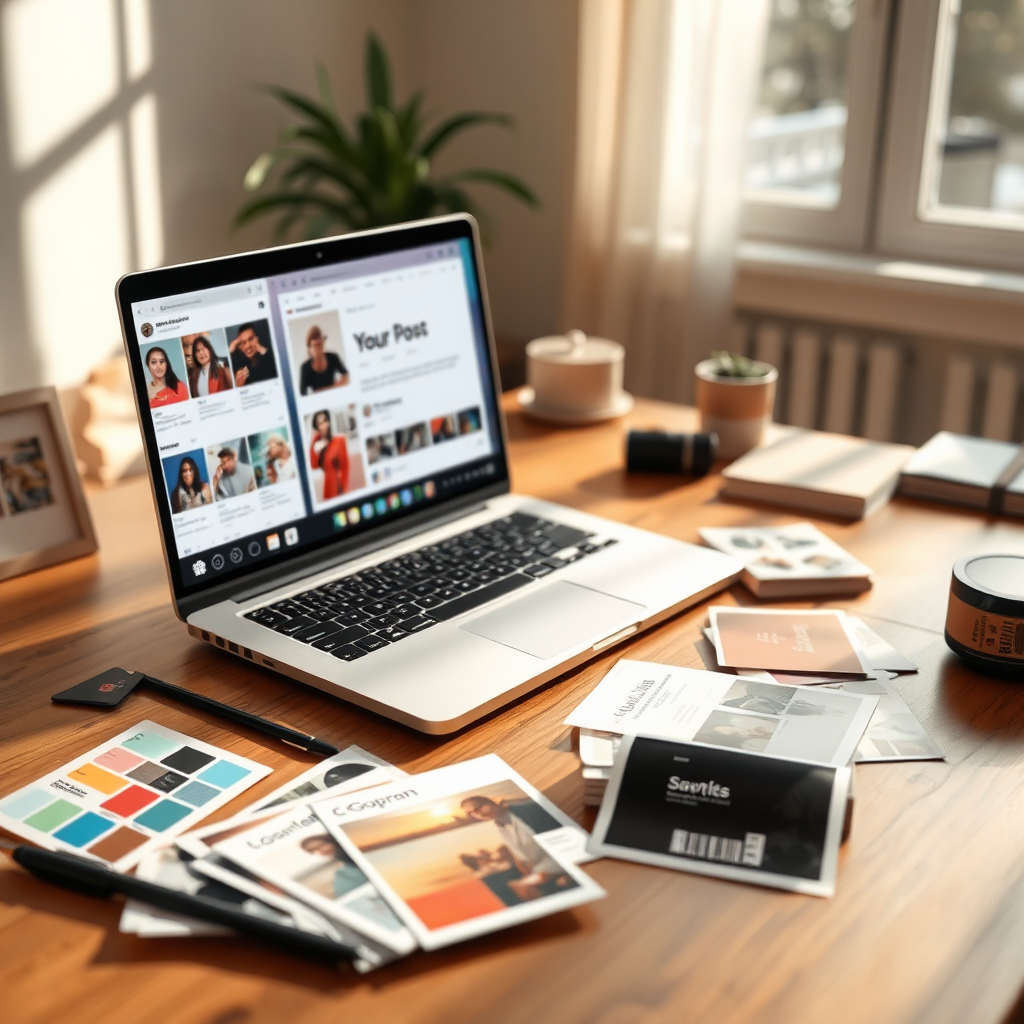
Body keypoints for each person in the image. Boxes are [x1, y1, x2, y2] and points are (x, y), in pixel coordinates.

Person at [460, 795, 569, 894]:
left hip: (563, 865)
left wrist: (559, 873)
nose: (477, 814)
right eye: (471, 813)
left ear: (492, 802)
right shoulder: (500, 825)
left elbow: (563, 838)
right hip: (543, 871)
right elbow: (521, 855)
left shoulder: (528, 810)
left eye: (478, 808)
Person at [299, 834, 368, 898]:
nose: (323, 850)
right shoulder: (340, 859)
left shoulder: (343, 853)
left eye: (322, 845)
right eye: (314, 851)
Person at [308, 410, 350, 498]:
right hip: (328, 485)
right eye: (320, 423)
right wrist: (315, 439)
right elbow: (313, 465)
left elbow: (345, 467)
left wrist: (343, 487)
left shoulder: (340, 440)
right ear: (317, 427)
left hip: (339, 486)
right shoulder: (318, 445)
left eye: (325, 420)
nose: (324, 425)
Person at [298, 325, 349, 394]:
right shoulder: (305, 368)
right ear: (309, 348)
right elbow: (303, 394)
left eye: (321, 344)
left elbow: (346, 375)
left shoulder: (333, 357)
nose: (319, 348)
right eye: (315, 345)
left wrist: (338, 386)